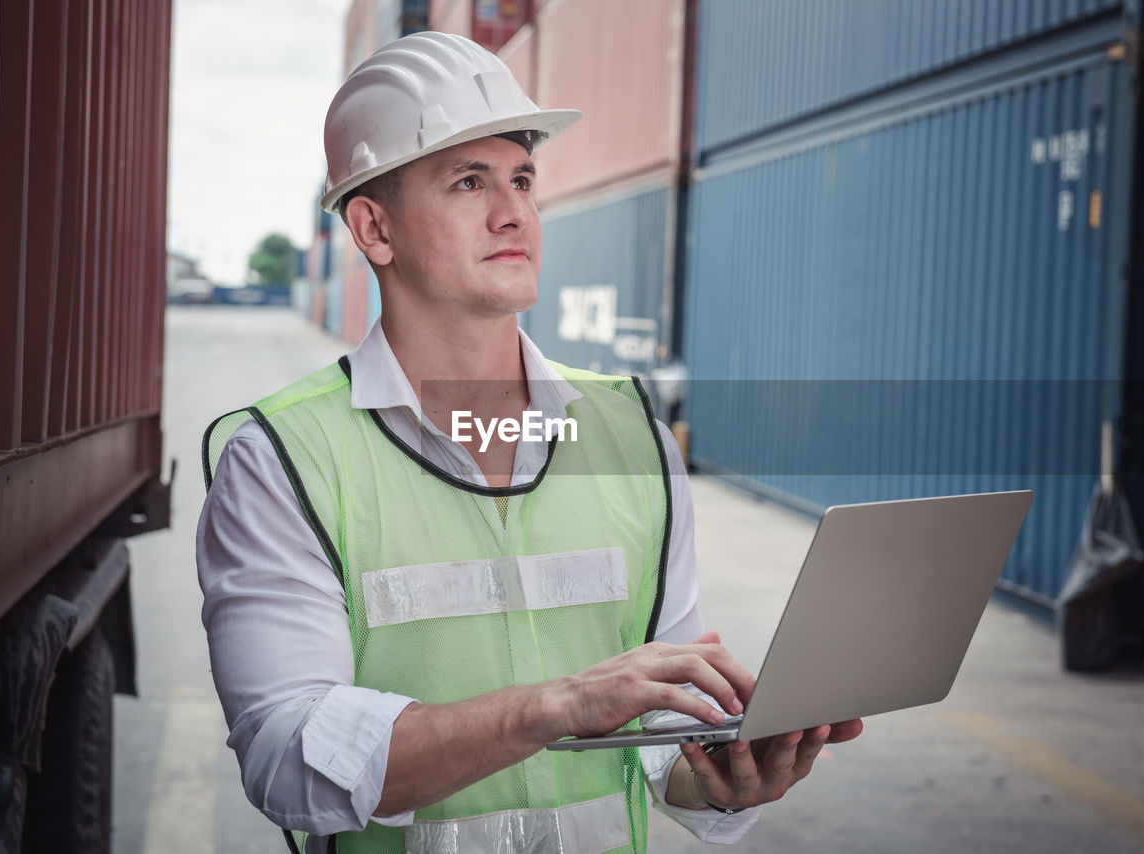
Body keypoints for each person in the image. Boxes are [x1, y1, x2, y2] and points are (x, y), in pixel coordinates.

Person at [196, 31, 862, 853]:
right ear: (373, 228)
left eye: (521, 179)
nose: (515, 212)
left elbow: (657, 738)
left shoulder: (631, 436)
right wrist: (552, 706)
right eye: (468, 182)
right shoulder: (280, 459)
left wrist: (721, 779)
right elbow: (287, 756)